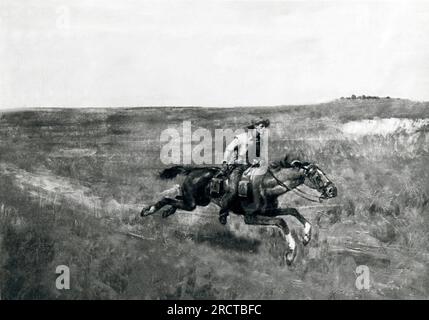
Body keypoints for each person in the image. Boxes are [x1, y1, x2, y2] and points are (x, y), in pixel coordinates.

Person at [218, 117, 270, 225]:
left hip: (251, 167)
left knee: (260, 186)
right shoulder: (242, 138)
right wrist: (225, 162)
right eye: (262, 126)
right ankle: (223, 213)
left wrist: (259, 162)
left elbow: (259, 156)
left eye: (265, 127)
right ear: (254, 126)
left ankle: (251, 209)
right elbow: (229, 149)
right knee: (234, 190)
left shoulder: (260, 141)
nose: (264, 129)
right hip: (238, 167)